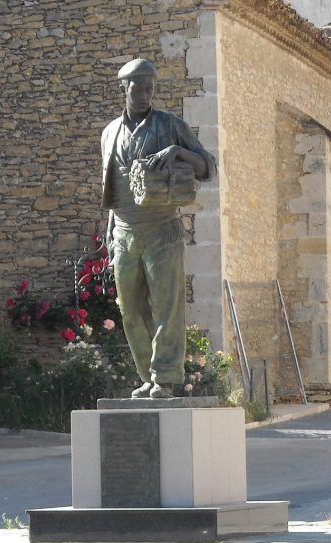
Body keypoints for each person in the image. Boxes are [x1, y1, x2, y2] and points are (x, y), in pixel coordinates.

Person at [100, 58, 217, 398]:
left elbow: (208, 167)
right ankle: (146, 376)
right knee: (131, 311)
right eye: (138, 88)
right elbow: (114, 185)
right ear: (124, 88)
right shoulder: (109, 133)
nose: (145, 94)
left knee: (167, 307)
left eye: (150, 88)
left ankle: (165, 379)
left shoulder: (170, 125)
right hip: (124, 233)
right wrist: (109, 229)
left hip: (162, 230)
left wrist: (178, 151)